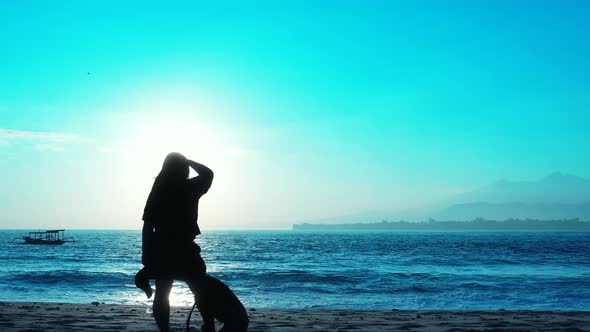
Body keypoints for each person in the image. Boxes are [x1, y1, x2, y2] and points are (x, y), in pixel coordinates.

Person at [140, 152, 213, 332]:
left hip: (162, 249)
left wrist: (146, 253)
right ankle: (208, 326)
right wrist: (187, 161)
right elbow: (208, 173)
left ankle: (165, 330)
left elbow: (148, 227)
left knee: (163, 294)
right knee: (200, 290)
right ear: (184, 169)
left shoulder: (158, 191)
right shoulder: (190, 188)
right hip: (185, 248)